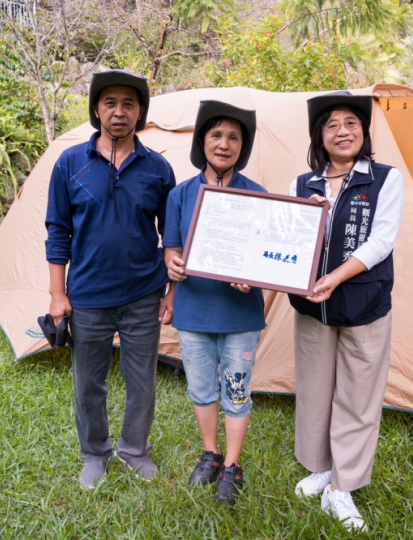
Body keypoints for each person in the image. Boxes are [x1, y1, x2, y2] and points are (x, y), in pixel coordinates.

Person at [45, 69, 176, 490]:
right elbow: (57, 231)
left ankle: (134, 450)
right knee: (89, 384)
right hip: (87, 296)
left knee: (142, 381)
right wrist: (57, 294)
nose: (119, 112)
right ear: (96, 109)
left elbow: (170, 236)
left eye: (129, 104)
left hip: (143, 294)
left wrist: (170, 291)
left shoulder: (158, 169)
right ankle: (95, 454)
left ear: (140, 112)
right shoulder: (70, 164)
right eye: (110, 103)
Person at [288, 91, 405, 531]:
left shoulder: (384, 179)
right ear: (320, 135)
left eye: (351, 124)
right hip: (311, 307)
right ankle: (321, 467)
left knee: (358, 396)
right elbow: (287, 237)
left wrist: (335, 277)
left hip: (364, 303)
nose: (342, 131)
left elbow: (381, 242)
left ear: (363, 132)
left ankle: (344, 486)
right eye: (332, 124)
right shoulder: (305, 184)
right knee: (316, 389)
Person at [161, 101, 266, 505]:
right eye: (216, 135)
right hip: (193, 311)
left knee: (236, 392)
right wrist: (173, 265)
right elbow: (171, 248)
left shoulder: (258, 196)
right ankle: (211, 452)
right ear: (202, 141)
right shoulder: (181, 195)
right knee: (202, 388)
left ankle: (233, 465)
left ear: (243, 146)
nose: (224, 144)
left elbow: (264, 256)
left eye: (234, 137)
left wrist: (251, 278)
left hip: (240, 314)